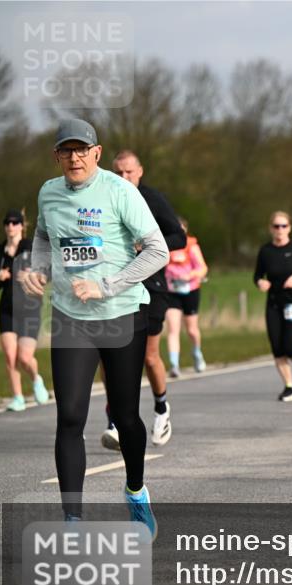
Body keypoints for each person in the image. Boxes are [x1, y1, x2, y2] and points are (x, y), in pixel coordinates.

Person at [21, 118, 168, 534]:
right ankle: (72, 521)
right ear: (56, 156)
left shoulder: (121, 192)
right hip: (71, 319)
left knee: (125, 416)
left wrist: (107, 285)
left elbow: (158, 251)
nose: (74, 157)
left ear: (97, 153)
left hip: (121, 315)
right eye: (66, 151)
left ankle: (136, 491)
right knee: (69, 416)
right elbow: (45, 239)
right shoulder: (48, 193)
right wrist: (38, 270)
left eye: (82, 150)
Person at [102, 149, 187, 450]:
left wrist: (147, 246)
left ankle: (162, 408)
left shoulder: (152, 199)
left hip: (151, 286)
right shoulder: (105, 197)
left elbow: (180, 237)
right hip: (114, 286)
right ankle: (113, 419)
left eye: (129, 172)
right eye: (118, 172)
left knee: (149, 356)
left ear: (140, 172)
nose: (124, 177)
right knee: (109, 353)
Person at [0, 209, 50, 411]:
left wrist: (32, 274)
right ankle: (18, 397)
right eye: (7, 223)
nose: (11, 226)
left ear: (22, 226)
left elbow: (45, 270)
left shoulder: (30, 247)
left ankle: (36, 378)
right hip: (7, 309)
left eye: (15, 222)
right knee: (9, 355)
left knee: (24, 357)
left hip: (29, 309)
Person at [254, 211, 292, 401]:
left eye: (283, 226)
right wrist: (260, 283)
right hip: (274, 303)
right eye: (276, 226)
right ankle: (289, 387)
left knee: (290, 347)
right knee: (277, 348)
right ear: (270, 228)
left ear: (289, 228)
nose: (280, 230)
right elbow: (257, 275)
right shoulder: (266, 251)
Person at [164, 217, 208, 376]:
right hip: (172, 291)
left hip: (190, 290)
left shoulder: (191, 246)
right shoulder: (166, 246)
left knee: (192, 330)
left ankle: (197, 353)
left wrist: (190, 275)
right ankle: (174, 365)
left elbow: (203, 268)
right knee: (173, 328)